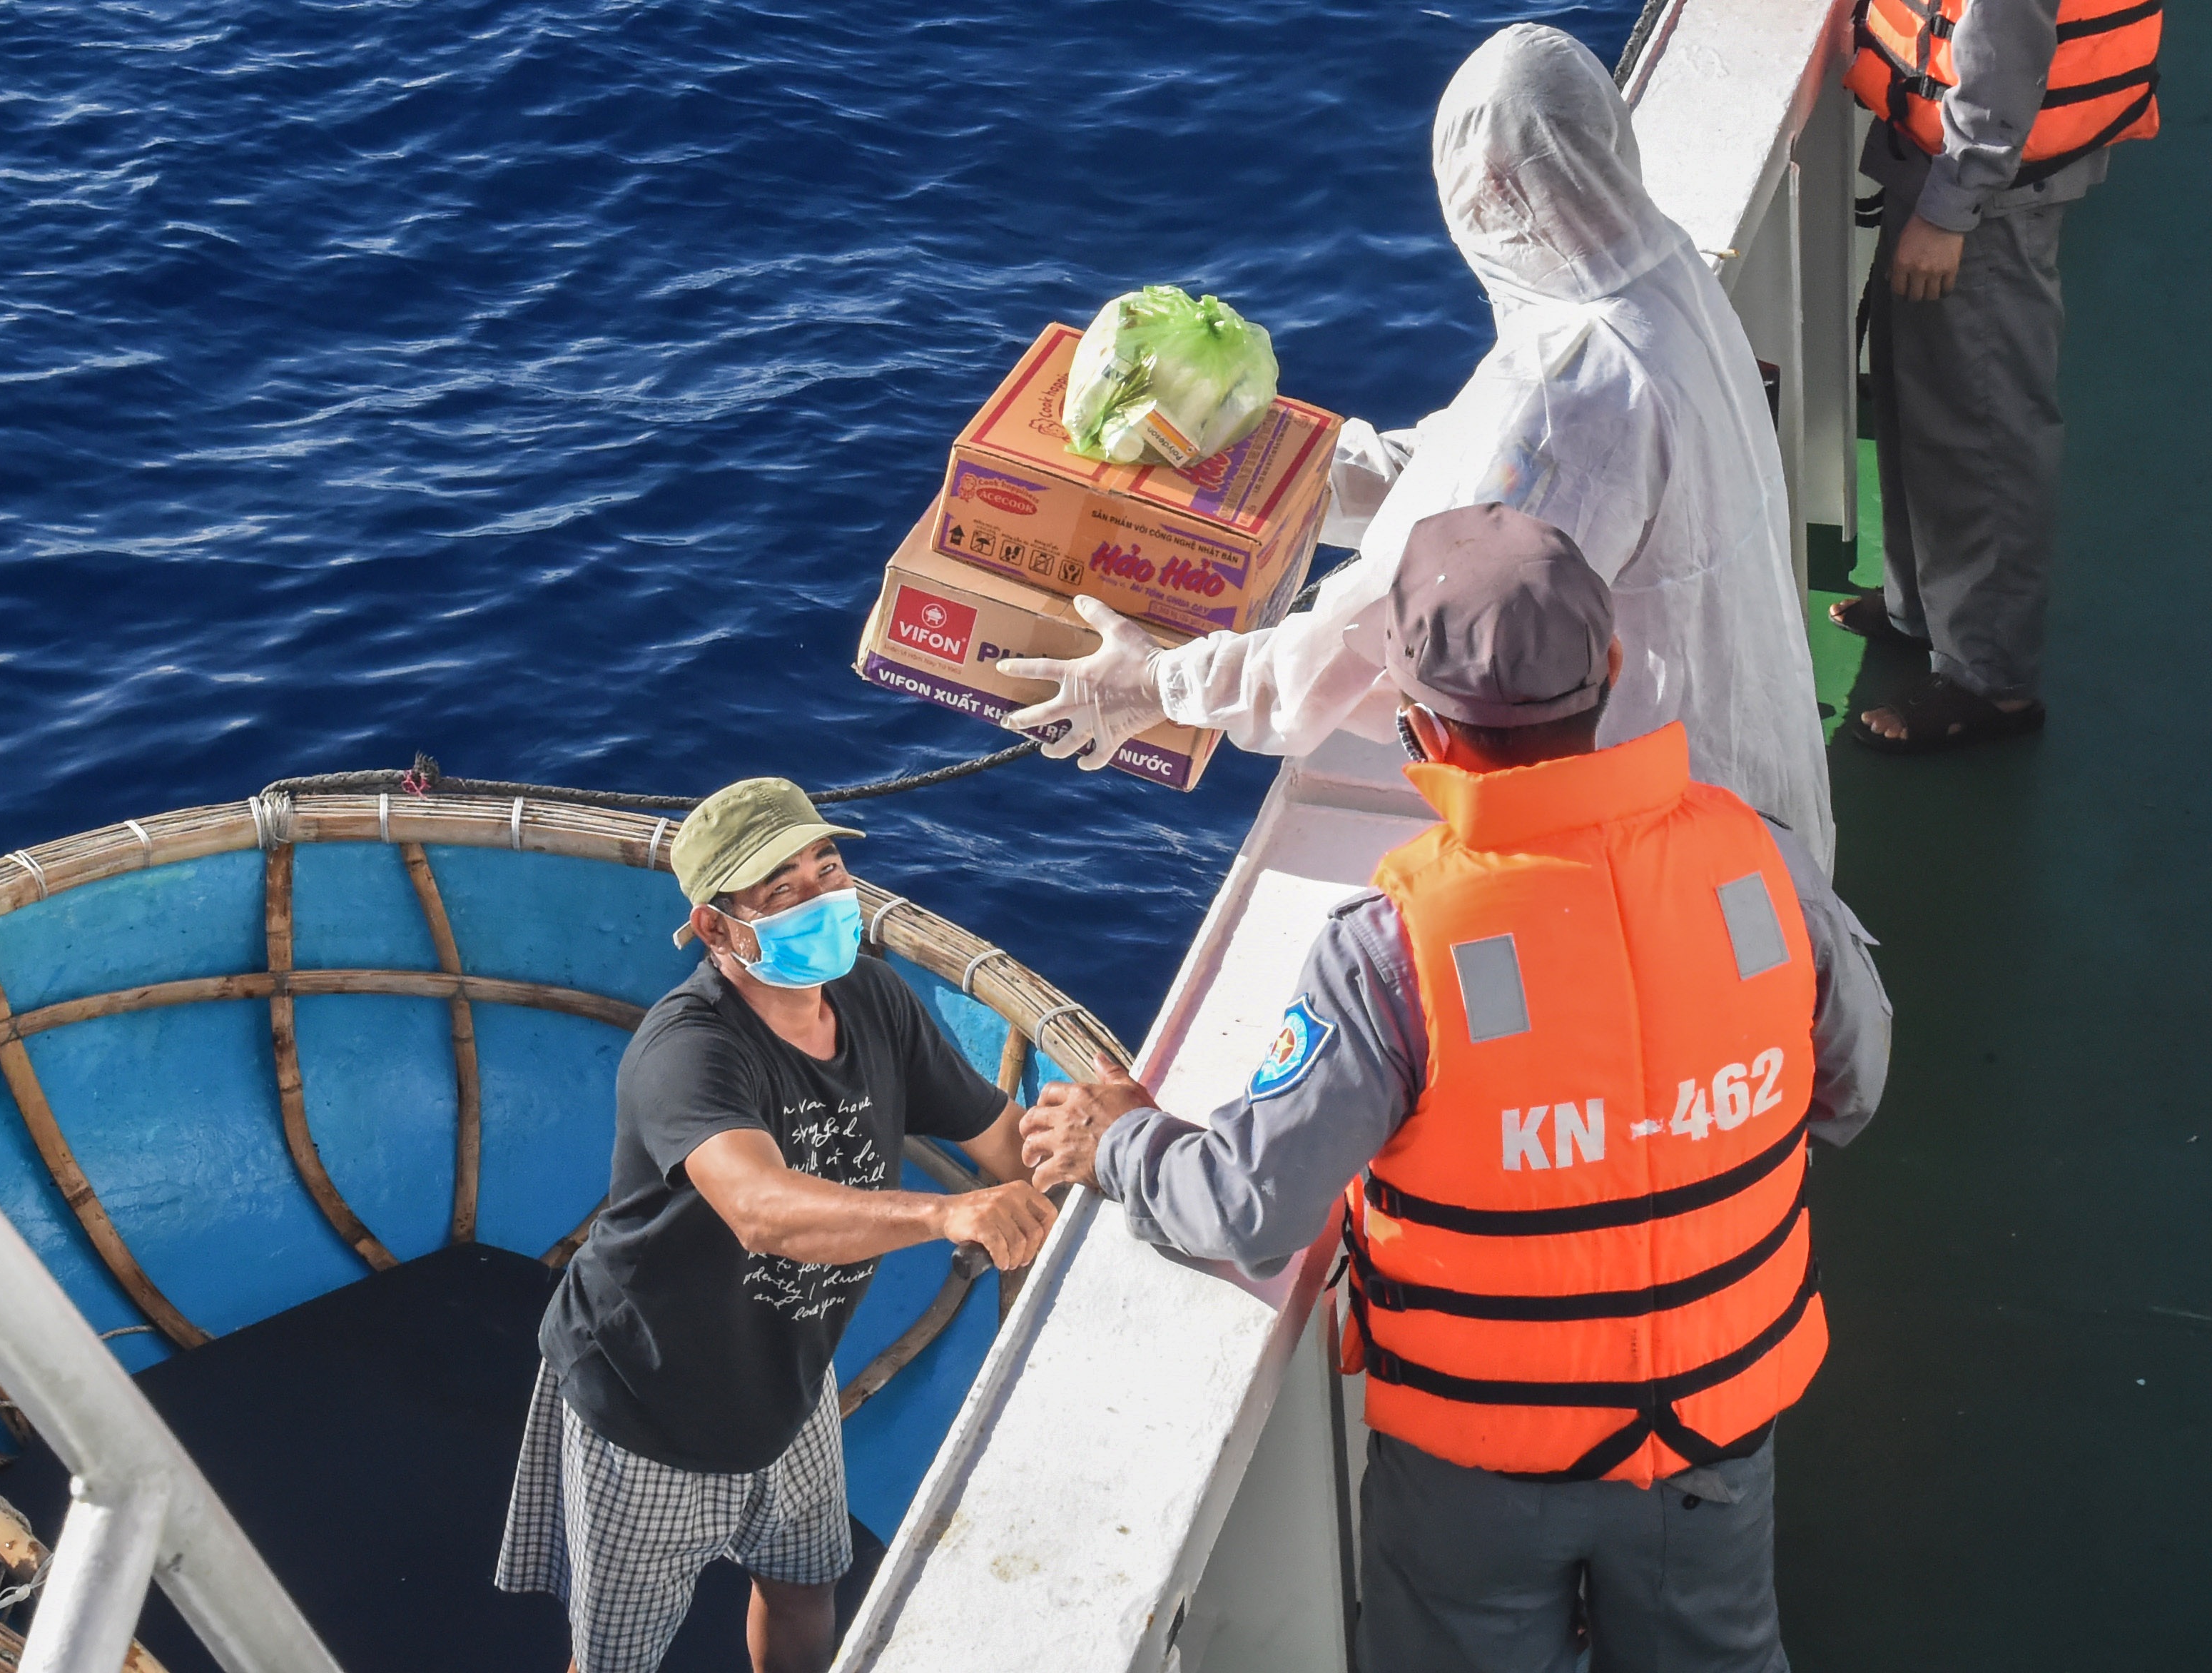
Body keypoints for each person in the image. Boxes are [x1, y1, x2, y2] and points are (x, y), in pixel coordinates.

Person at [1020, 505, 1891, 1672]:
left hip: (1483, 1468)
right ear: (1613, 668)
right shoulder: (1759, 858)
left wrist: (1122, 1138)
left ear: (1412, 717)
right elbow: (1851, 1085)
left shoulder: (1390, 945)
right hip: (1713, 1436)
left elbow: (1249, 1210)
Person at [1002, 24, 1837, 869]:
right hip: (1757, 799)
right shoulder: (1659, 278)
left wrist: (1155, 685)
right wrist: (1299, 481)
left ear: (1484, 196)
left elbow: (1394, 623)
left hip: (1676, 854)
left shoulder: (1570, 383)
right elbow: (1485, 473)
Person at [495, 777, 1055, 1673]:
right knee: (615, 1658)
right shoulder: (689, 1050)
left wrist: (1110, 1142)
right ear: (716, 928)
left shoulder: (875, 998)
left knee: (804, 1584)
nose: (823, 899)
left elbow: (1004, 1142)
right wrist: (949, 1212)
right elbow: (760, 1209)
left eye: (826, 869)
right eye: (781, 893)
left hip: (789, 1384)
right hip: (648, 1403)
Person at [1836, 0, 2159, 752]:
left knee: (1980, 423)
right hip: (1942, 160)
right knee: (1918, 391)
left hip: (1987, 193)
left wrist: (1952, 209)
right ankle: (1918, 607)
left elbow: (2005, 49)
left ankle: (1990, 682)